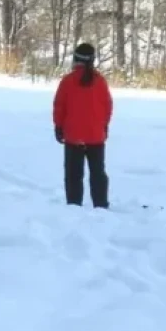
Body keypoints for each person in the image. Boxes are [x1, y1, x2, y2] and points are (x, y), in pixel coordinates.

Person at [53, 43, 113, 209]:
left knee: (73, 175)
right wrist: (104, 126)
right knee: (98, 173)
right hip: (96, 136)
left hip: (73, 137)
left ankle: (74, 206)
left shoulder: (67, 81)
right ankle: (101, 205)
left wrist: (58, 127)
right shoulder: (100, 81)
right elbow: (107, 106)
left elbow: (59, 106)